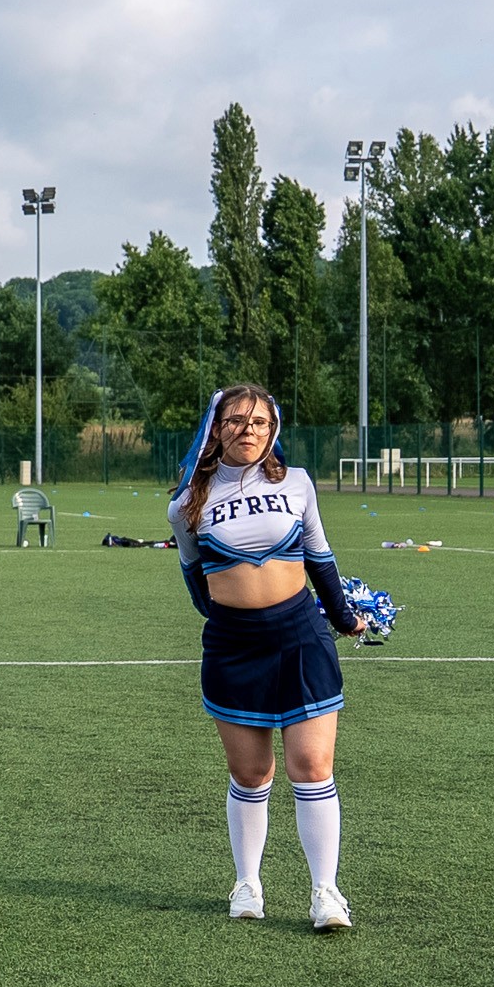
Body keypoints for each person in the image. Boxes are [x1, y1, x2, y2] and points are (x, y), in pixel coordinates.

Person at [170, 385, 370, 931]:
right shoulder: (186, 505)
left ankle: (326, 892)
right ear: (216, 430)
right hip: (234, 646)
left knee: (313, 766)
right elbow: (198, 588)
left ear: (273, 429)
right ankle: (247, 883)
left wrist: (344, 616)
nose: (249, 430)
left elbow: (321, 559)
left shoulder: (297, 483)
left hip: (301, 637)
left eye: (260, 422)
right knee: (251, 772)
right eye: (237, 421)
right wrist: (235, 615)